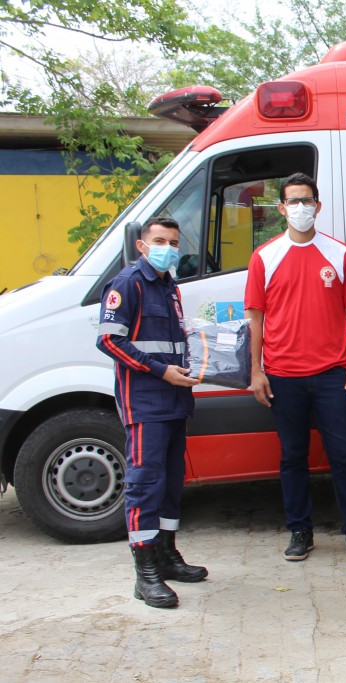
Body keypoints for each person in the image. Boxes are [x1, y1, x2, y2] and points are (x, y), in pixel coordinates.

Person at [244, 172, 346, 561]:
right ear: (280, 208)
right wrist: (256, 370)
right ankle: (299, 531)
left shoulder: (339, 254)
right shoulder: (264, 257)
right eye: (293, 201)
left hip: (332, 375)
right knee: (293, 457)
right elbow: (255, 317)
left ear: (318, 206)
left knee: (345, 456)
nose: (301, 208)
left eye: (307, 201)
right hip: (282, 376)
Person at [96, 216, 206, 609]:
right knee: (145, 485)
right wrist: (161, 371)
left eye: (174, 242)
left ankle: (167, 556)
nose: (168, 248)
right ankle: (146, 574)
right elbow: (109, 341)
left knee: (172, 482)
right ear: (142, 245)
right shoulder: (128, 283)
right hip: (145, 402)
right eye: (160, 240)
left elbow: (175, 342)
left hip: (176, 402)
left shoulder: (169, 287)